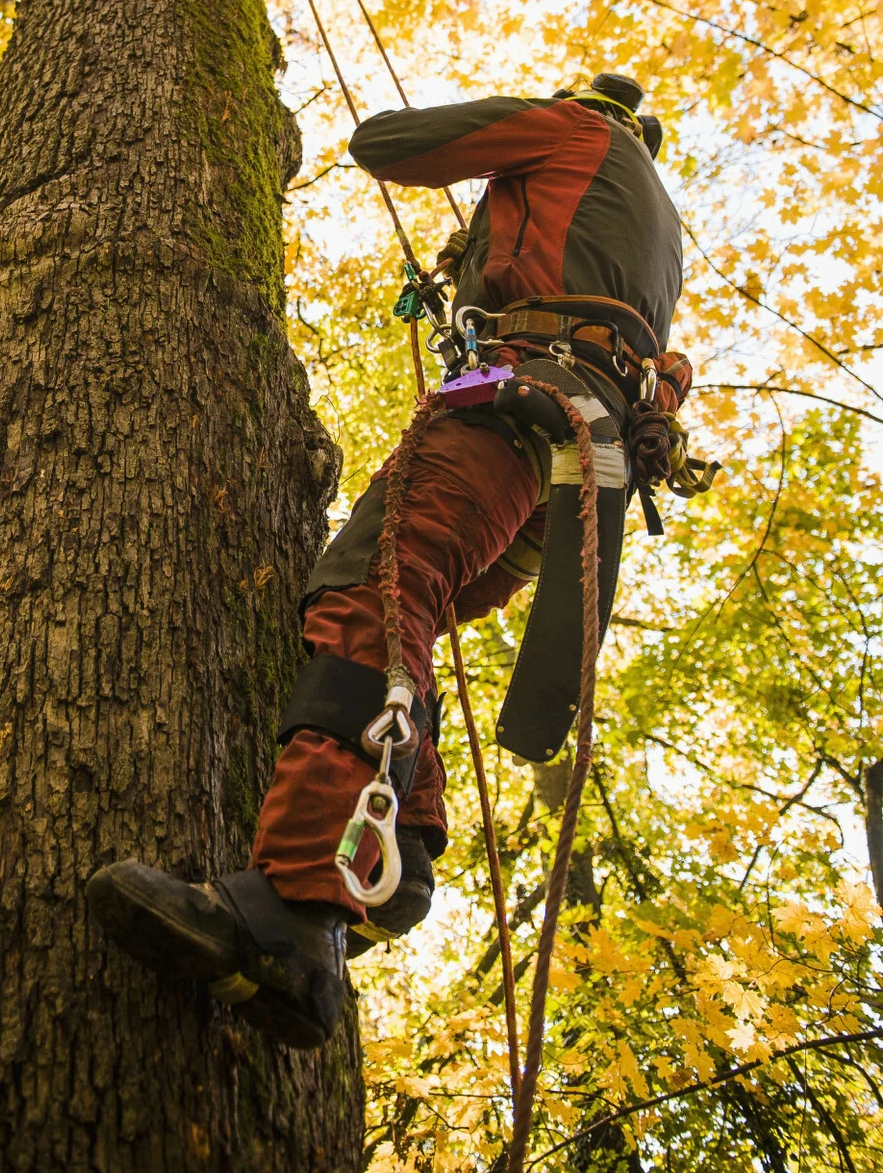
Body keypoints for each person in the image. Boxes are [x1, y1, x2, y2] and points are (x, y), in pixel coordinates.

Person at [88, 73, 683, 1049]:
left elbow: (387, 145)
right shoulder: (656, 231)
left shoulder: (574, 132)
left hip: (519, 407)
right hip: (567, 465)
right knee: (410, 607)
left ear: (592, 105)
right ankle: (396, 843)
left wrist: (492, 156)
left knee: (371, 590)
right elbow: (650, 362)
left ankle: (291, 899)